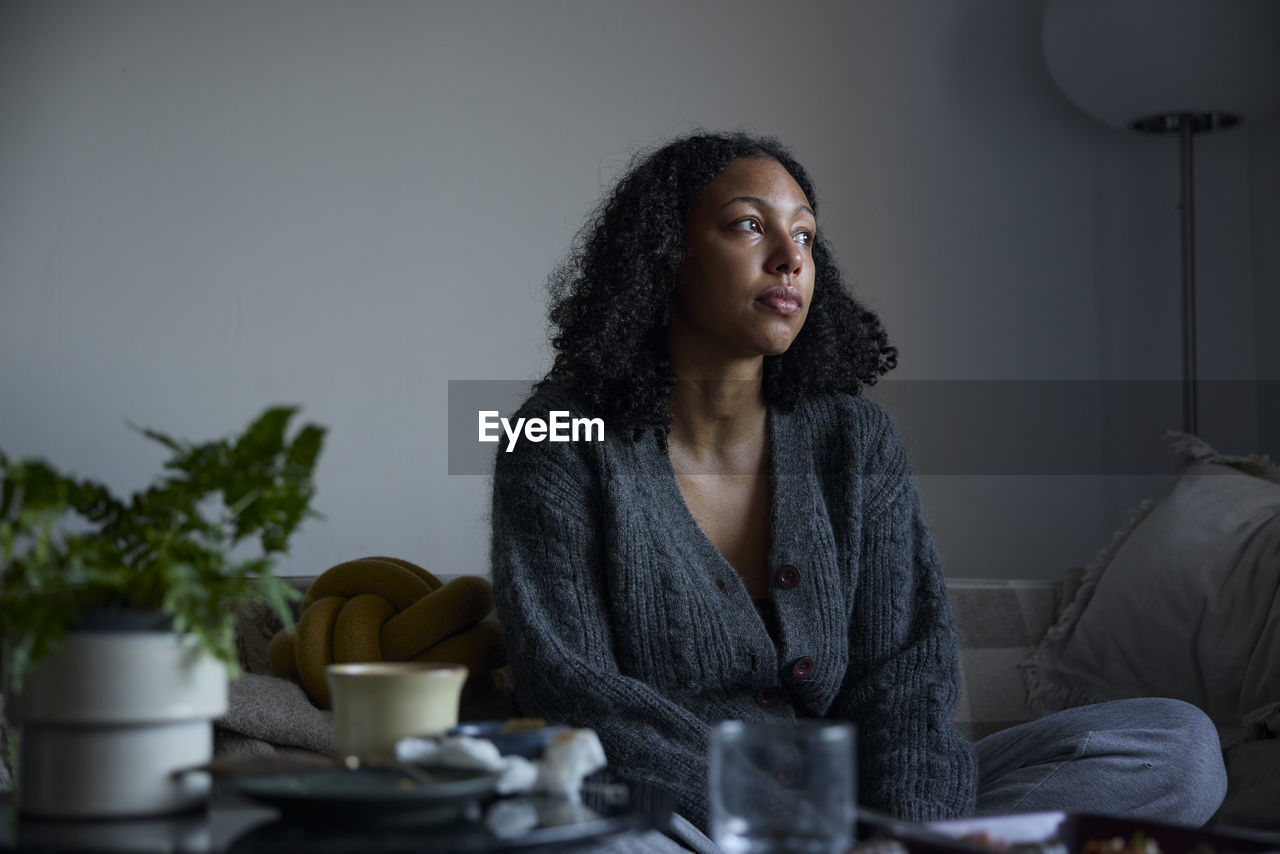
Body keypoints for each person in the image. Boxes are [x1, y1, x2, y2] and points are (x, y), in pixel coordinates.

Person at [489, 131, 1226, 850]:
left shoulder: (855, 440)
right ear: (667, 258)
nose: (790, 260)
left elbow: (905, 674)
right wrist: (791, 827)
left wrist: (901, 835)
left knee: (1178, 746)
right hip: (683, 814)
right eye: (749, 226)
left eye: (806, 237)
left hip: (868, 813)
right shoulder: (556, 437)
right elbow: (579, 695)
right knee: (576, 834)